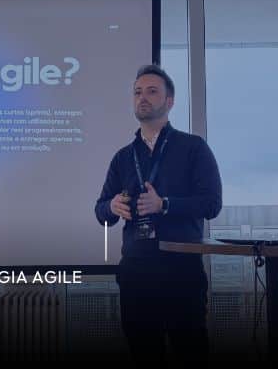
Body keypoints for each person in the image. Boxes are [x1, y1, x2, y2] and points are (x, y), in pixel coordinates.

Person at [95, 64, 222, 364]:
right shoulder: (123, 157)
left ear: (170, 101)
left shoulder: (193, 148)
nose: (143, 97)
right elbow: (101, 211)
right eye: (137, 92)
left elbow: (212, 204)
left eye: (152, 91)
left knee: (191, 353)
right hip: (136, 274)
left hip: (182, 271)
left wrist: (164, 204)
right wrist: (112, 206)